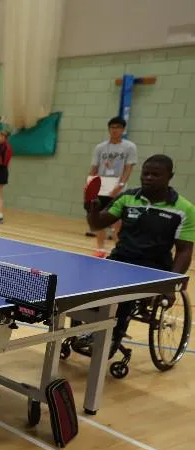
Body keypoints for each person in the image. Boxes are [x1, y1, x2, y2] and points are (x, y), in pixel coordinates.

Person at [85, 154, 194, 351]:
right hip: (121, 259)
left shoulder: (184, 209)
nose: (149, 177)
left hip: (154, 266)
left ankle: (113, 337)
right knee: (89, 286)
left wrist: (171, 283)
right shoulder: (128, 198)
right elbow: (96, 225)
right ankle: (86, 329)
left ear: (170, 176)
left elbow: (185, 250)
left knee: (126, 293)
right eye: (146, 173)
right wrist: (92, 211)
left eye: (155, 174)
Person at [86, 116, 138, 258]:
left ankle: (119, 248)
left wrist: (120, 184)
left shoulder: (129, 147)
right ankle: (100, 249)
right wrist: (89, 184)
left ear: (123, 130)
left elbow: (128, 168)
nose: (115, 130)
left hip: (118, 185)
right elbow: (94, 167)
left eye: (118, 127)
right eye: (112, 127)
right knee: (100, 216)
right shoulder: (101, 147)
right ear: (109, 129)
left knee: (118, 220)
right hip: (101, 185)